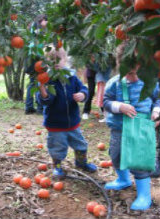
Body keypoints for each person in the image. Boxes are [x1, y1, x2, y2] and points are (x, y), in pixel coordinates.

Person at [103, 43, 160, 211]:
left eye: (136, 72)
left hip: (140, 129)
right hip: (119, 129)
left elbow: (158, 99)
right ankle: (123, 180)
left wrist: (156, 112)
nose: (133, 77)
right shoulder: (114, 83)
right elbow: (105, 102)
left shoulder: (149, 82)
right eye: (129, 73)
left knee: (139, 161)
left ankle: (144, 194)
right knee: (115, 155)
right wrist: (119, 106)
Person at [36, 46, 97, 178]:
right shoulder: (47, 79)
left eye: (59, 59)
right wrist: (42, 88)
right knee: (57, 148)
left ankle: (81, 162)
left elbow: (84, 89)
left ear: (65, 60)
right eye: (52, 60)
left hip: (73, 122)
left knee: (81, 144)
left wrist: (82, 94)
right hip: (56, 124)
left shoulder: (72, 77)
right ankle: (57, 166)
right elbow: (46, 101)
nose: (56, 63)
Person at [24, 14, 48, 114]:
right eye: (45, 21)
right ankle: (40, 107)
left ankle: (29, 107)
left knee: (33, 82)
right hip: (36, 57)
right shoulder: (36, 28)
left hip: (31, 57)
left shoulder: (33, 29)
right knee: (40, 81)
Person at [82, 54, 98, 120]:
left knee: (102, 92)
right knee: (91, 92)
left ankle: (105, 111)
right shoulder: (90, 50)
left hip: (101, 75)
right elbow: (87, 65)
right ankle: (86, 111)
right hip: (91, 75)